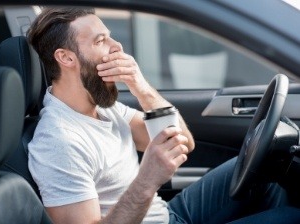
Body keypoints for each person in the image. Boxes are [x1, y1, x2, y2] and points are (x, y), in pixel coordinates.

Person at [27, 7, 300, 224]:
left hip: (167, 214)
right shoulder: (59, 141)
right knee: (290, 218)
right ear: (66, 58)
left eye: (110, 35)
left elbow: (182, 141)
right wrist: (147, 180)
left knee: (265, 169)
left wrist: (141, 87)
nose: (117, 46)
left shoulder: (101, 105)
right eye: (101, 40)